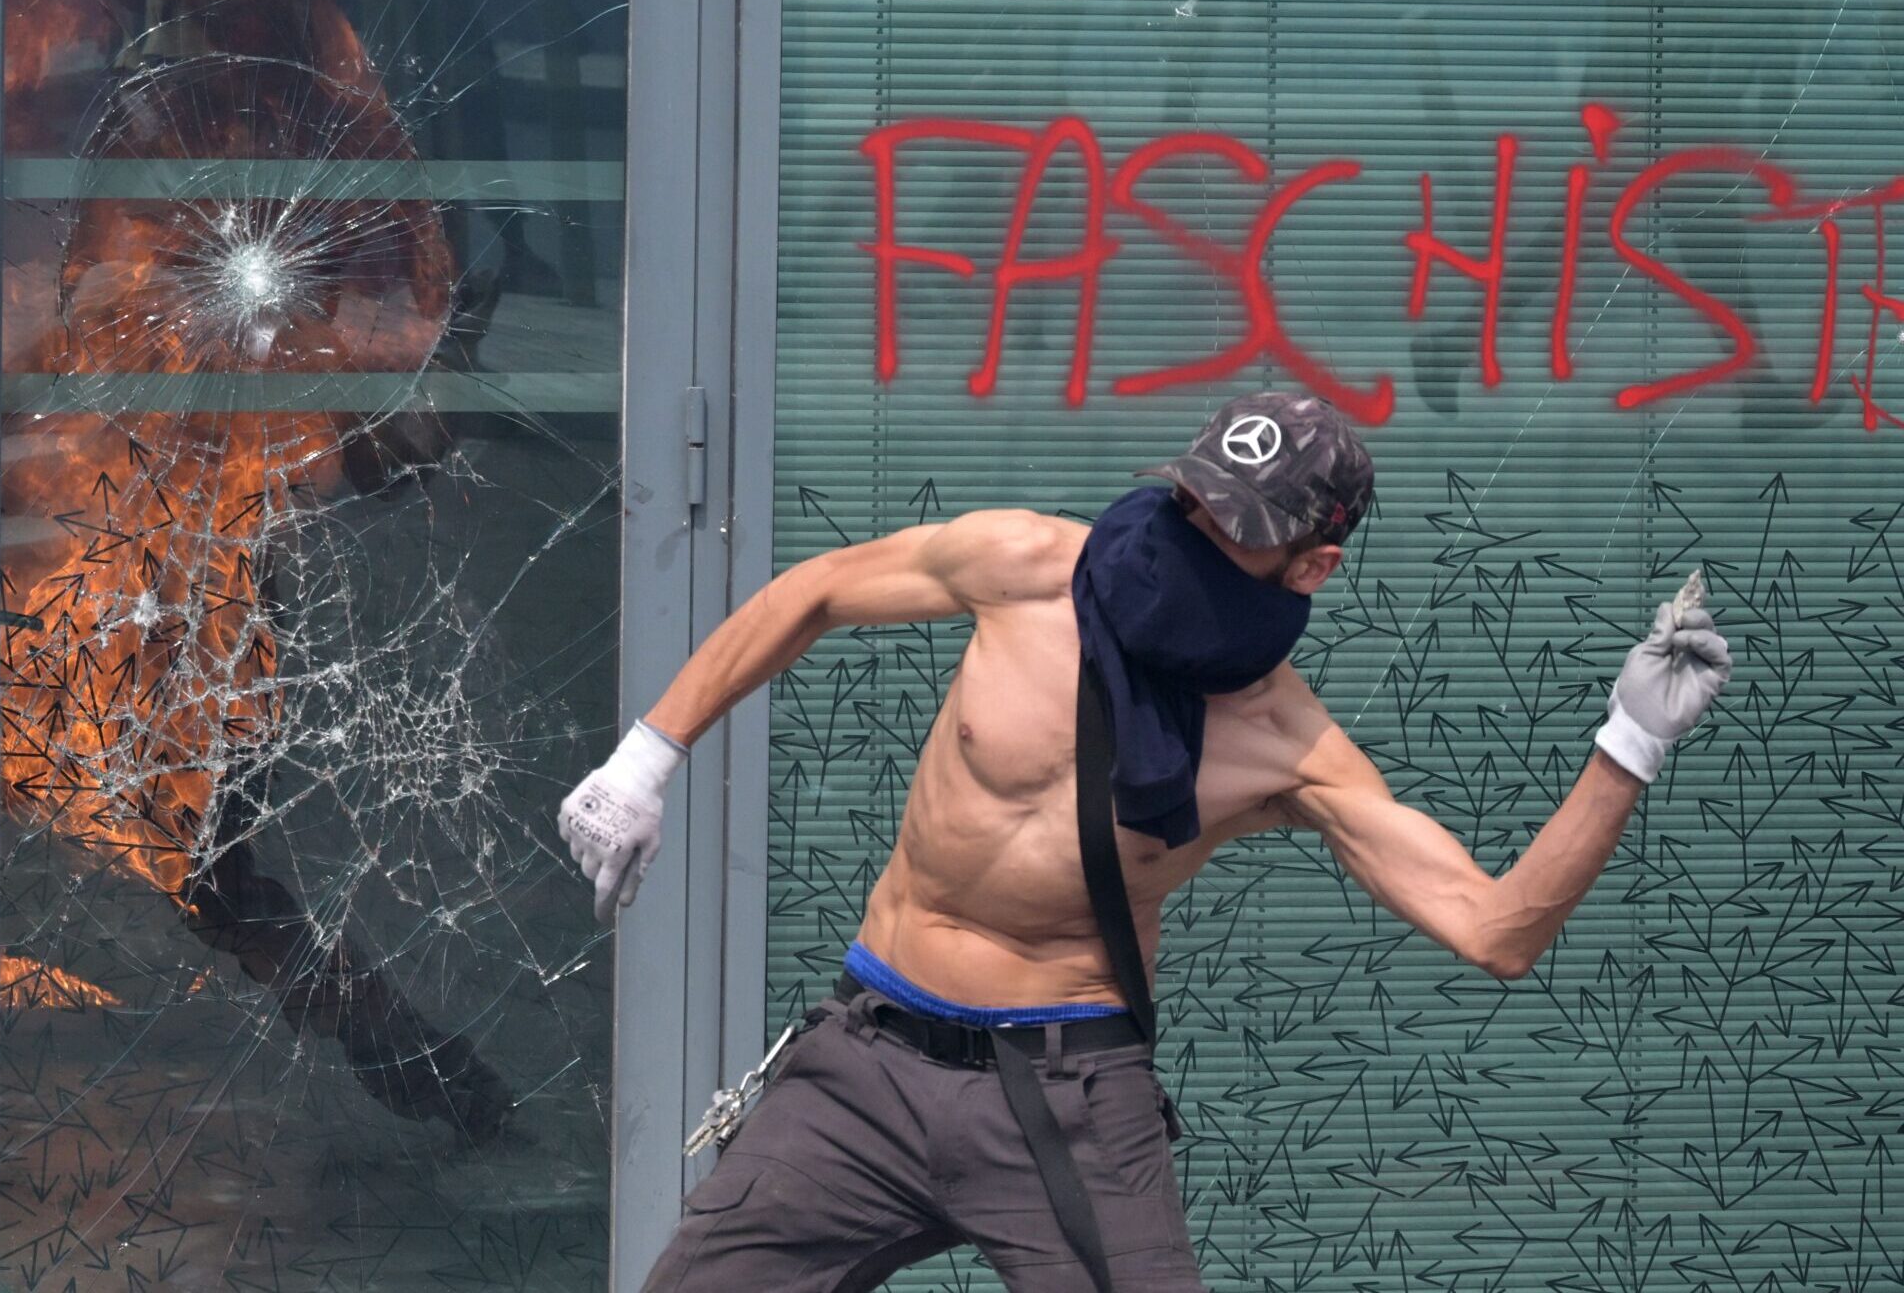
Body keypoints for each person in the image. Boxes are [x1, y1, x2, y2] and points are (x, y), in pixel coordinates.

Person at [558, 390, 1731, 1292]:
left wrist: (1626, 741)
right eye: (1195, 500)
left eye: (1238, 529)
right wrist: (644, 759)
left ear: (1314, 564)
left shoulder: (1285, 744)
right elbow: (814, 589)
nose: (1195, 531)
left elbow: (1495, 929)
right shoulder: (1025, 566)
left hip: (1066, 1095)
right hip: (867, 1062)